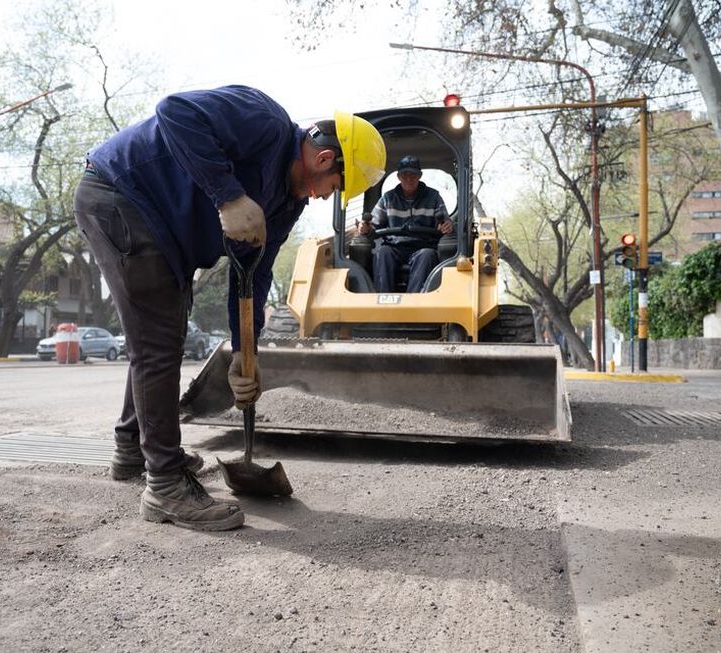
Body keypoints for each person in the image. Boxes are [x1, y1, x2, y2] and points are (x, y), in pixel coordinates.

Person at [73, 85, 385, 531]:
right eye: (333, 188)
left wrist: (245, 352)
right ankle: (164, 487)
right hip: (121, 194)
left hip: (164, 233)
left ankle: (132, 450)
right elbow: (174, 111)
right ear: (323, 159)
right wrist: (229, 196)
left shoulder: (286, 202)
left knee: (161, 334)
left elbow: (253, 273)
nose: (322, 197)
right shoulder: (264, 119)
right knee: (158, 342)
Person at [358, 155, 452, 293]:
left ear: (420, 176)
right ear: (398, 177)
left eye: (413, 175)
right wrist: (365, 228)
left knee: (427, 255)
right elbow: (373, 225)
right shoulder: (387, 199)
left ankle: (413, 303)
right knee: (382, 253)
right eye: (405, 175)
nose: (409, 179)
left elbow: (444, 221)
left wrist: (447, 225)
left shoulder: (434, 197)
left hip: (422, 246)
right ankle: (382, 301)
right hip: (394, 247)